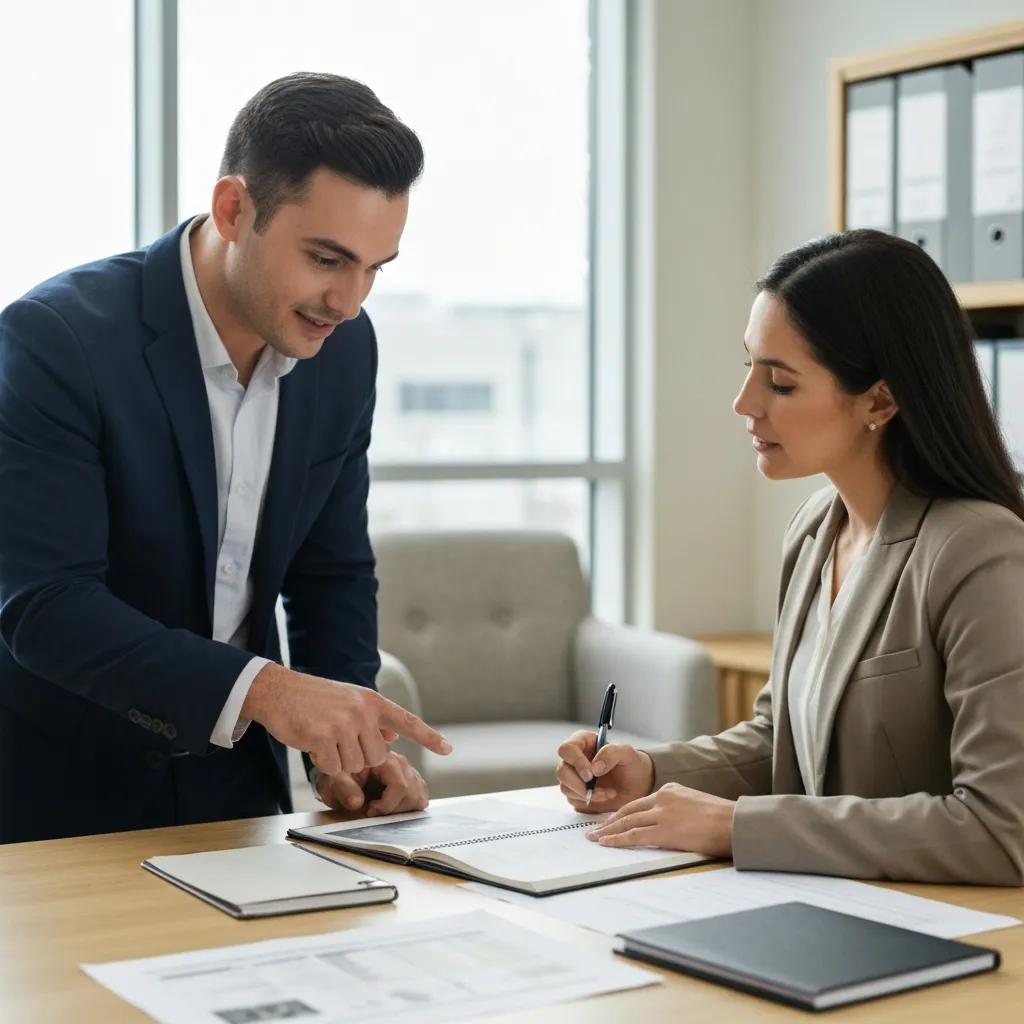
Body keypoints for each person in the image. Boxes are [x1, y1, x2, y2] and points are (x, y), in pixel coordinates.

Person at [0, 73, 452, 844]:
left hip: (239, 790)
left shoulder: (345, 352)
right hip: (62, 797)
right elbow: (44, 605)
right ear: (233, 208)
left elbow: (331, 569)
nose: (349, 301)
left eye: (376, 267)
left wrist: (346, 750)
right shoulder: (56, 341)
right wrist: (266, 692)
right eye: (327, 259)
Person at [556, 230, 1024, 885]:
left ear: (879, 400)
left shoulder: (980, 551)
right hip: (826, 901)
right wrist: (653, 771)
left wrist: (736, 827)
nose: (744, 402)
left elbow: (1002, 828)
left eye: (779, 382)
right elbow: (782, 739)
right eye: (749, 365)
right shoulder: (813, 532)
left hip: (946, 924)